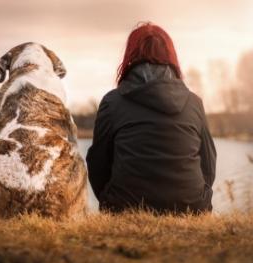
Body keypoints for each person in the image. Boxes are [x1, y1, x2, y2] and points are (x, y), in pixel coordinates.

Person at [86, 22, 216, 214]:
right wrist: (196, 199)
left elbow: (97, 164)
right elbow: (209, 164)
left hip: (125, 208)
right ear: (171, 56)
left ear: (130, 56)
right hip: (191, 208)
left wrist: (110, 200)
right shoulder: (194, 102)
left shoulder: (112, 102)